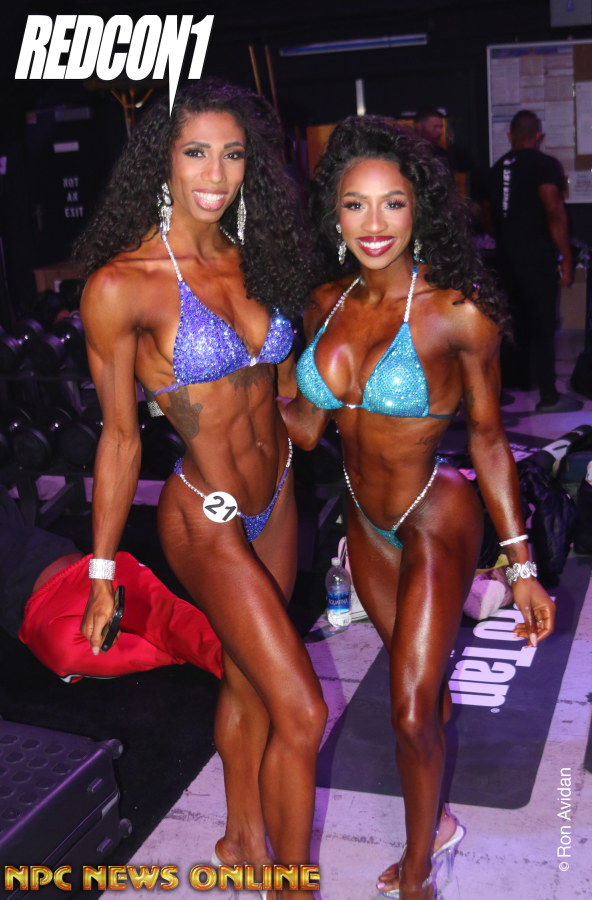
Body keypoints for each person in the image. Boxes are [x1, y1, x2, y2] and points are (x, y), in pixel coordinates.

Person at [279, 115, 556, 900]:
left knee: (406, 711)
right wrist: (241, 386)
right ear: (334, 214)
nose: (374, 224)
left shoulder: (457, 310)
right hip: (364, 524)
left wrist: (522, 564)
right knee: (423, 693)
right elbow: (307, 427)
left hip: (436, 516)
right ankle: (438, 809)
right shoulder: (324, 303)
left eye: (392, 203)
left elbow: (490, 440)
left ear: (419, 209)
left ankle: (419, 869)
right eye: (355, 204)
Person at [73, 78, 326, 899]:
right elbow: (119, 439)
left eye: (233, 154)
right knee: (302, 710)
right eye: (196, 152)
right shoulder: (124, 284)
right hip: (205, 513)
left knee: (249, 678)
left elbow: (287, 401)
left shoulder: (262, 257)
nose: (216, 173)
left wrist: (345, 376)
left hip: (278, 497)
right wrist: (102, 573)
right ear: (163, 160)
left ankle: (239, 833)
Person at [0, 485, 222, 681]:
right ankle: (232, 663)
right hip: (43, 617)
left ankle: (233, 663)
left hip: (80, 573)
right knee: (179, 634)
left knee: (176, 627)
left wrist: (101, 573)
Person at [487, 109, 581, 412]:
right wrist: (566, 258)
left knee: (506, 326)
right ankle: (549, 397)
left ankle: (498, 392)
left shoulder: (496, 168)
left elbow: (480, 210)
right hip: (537, 259)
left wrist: (504, 236)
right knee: (542, 326)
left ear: (510, 135)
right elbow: (554, 211)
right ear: (538, 135)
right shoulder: (544, 165)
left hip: (504, 259)